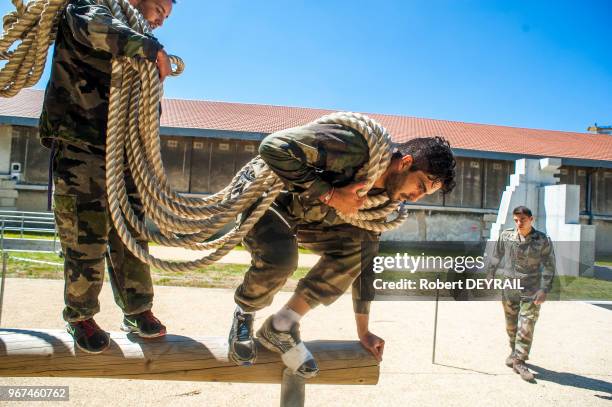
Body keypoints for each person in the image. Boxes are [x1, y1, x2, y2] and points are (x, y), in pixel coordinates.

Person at [227, 122, 456, 377]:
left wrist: (363, 331)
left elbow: (365, 265)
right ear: (405, 163)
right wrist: (331, 195)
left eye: (424, 194)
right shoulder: (355, 148)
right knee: (282, 258)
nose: (415, 197)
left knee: (361, 245)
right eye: (420, 186)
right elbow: (273, 146)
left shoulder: (382, 204)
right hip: (266, 198)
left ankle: (282, 325)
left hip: (304, 217)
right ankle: (244, 316)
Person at [39, 0, 175, 354]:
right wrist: (149, 48)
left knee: (131, 232)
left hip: (125, 151)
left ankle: (137, 308)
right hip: (80, 141)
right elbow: (96, 27)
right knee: (86, 233)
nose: (160, 19)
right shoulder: (90, 6)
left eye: (166, 16)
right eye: (160, 7)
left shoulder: (140, 39)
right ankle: (80, 314)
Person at [486, 205, 556, 382]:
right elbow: (496, 256)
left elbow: (549, 265)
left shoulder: (542, 240)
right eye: (516, 220)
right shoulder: (507, 236)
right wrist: (490, 274)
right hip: (509, 289)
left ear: (531, 219)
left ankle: (519, 361)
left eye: (522, 220)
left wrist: (544, 289)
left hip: (531, 289)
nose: (519, 223)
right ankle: (514, 352)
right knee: (511, 327)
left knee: (526, 326)